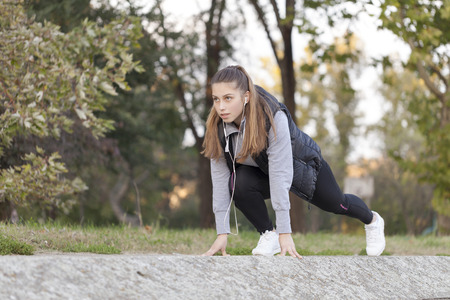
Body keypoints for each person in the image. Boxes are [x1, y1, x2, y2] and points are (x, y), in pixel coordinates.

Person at [201, 65, 385, 258]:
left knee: (338, 204)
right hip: (261, 173)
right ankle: (267, 234)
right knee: (237, 182)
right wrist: (222, 233)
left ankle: (373, 221)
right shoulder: (217, 126)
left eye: (228, 98)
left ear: (246, 97)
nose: (221, 107)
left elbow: (280, 175)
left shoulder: (271, 117)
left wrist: (285, 233)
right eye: (216, 99)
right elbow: (221, 180)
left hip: (302, 167)